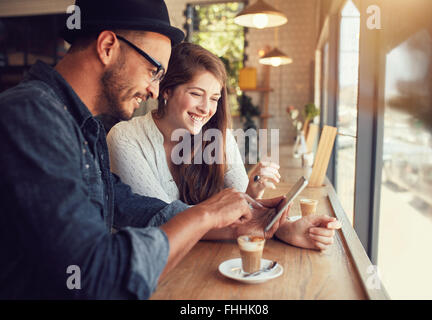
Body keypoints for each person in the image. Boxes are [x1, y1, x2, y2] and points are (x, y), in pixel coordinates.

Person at [0, 0, 289, 299]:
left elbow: (136, 209)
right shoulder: (30, 116)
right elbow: (95, 275)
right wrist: (203, 215)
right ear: (108, 46)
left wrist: (247, 225)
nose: (154, 90)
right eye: (153, 70)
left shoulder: (86, 128)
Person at [106, 42, 341, 246]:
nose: (206, 108)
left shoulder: (219, 136)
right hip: (146, 271)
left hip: (200, 262)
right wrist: (276, 227)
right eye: (196, 94)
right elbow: (164, 220)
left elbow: (242, 209)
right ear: (166, 91)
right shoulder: (125, 138)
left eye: (215, 98)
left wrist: (281, 221)